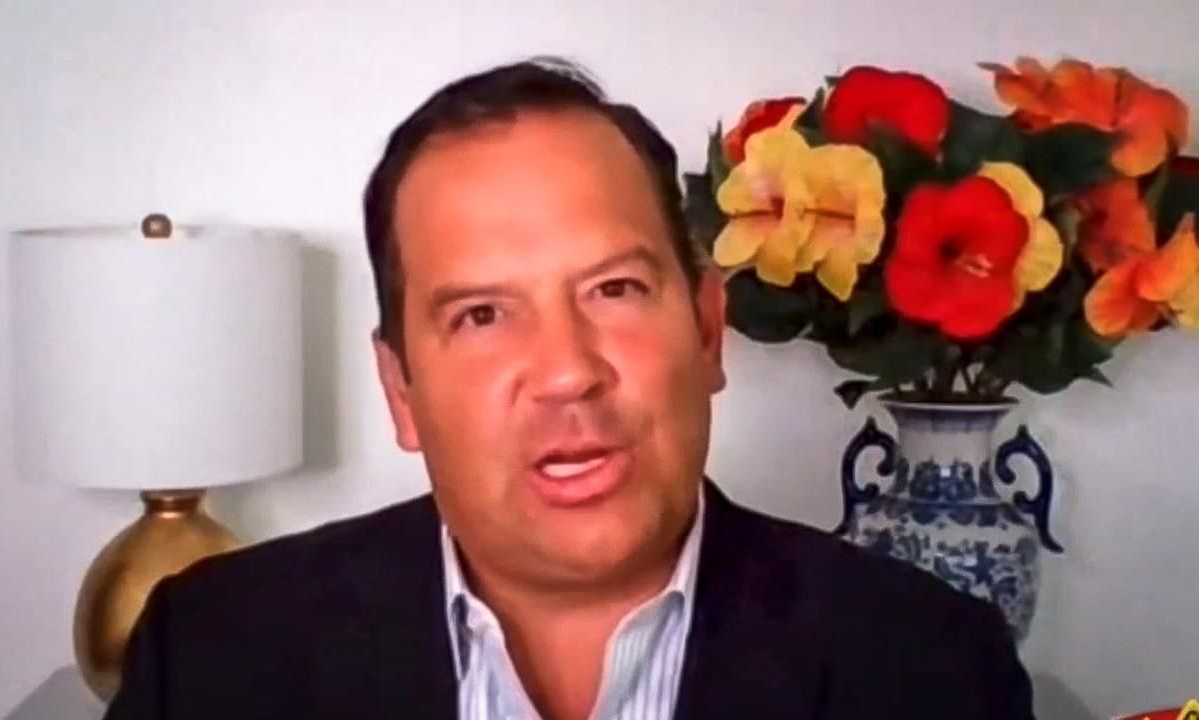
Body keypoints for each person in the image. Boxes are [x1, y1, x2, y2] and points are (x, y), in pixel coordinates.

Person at [105, 58, 1035, 720]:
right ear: (401, 390)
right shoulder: (213, 655)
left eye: (614, 290)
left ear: (707, 330)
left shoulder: (930, 667)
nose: (566, 370)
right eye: (481, 314)